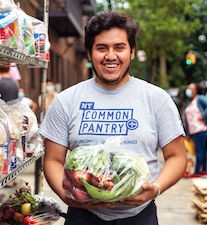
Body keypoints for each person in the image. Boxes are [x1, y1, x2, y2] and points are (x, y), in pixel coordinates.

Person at [39, 11, 187, 225]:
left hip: (139, 216)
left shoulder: (156, 99)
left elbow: (177, 157)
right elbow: (52, 160)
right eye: (101, 48)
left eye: (119, 47)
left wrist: (156, 188)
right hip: (83, 216)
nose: (110, 56)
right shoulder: (67, 100)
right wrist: (68, 197)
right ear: (89, 54)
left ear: (132, 52)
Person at [184, 83, 207, 178]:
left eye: (191, 88)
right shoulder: (189, 102)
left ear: (196, 90)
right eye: (188, 88)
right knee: (202, 151)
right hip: (194, 131)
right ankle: (204, 170)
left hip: (200, 129)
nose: (188, 90)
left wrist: (203, 115)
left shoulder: (199, 99)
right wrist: (188, 134)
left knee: (200, 151)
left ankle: (197, 172)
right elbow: (187, 120)